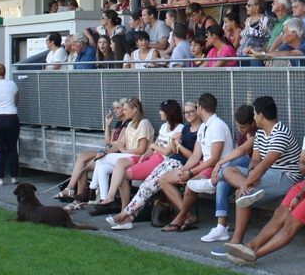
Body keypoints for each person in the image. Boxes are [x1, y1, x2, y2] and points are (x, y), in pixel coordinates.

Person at [224, 96, 305, 265]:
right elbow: (301, 165)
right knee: (280, 214)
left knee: (291, 222)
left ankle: (255, 255)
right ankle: (249, 247)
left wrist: (301, 194)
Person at [207, 95, 303, 255]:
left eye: (254, 114)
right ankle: (249, 192)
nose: (253, 117)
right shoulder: (260, 134)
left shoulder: (280, 133)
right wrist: (250, 177)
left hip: (285, 177)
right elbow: (256, 160)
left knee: (241, 196)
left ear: (261, 116)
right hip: (267, 174)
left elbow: (265, 164)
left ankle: (235, 243)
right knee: (227, 170)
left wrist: (246, 183)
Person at [108, 99, 199, 228]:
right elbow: (169, 149)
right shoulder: (185, 129)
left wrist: (176, 145)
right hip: (171, 160)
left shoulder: (193, 130)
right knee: (146, 185)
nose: (187, 115)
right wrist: (152, 150)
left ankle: (124, 215)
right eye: (185, 112)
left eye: (191, 112)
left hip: (180, 163)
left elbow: (188, 154)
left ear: (199, 111)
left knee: (148, 186)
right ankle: (127, 216)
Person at [158, 93, 232, 231]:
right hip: (204, 165)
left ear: (201, 108)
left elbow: (214, 159)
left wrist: (191, 173)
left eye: (197, 107)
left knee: (190, 184)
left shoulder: (217, 126)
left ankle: (180, 217)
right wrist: (184, 169)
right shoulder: (204, 126)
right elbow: (196, 154)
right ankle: (188, 215)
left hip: (217, 168)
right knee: (164, 179)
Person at [192, 104, 257, 244]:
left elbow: (242, 151)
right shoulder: (243, 132)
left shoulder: (258, 133)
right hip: (238, 172)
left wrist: (220, 163)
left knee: (240, 158)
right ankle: (221, 227)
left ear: (253, 122)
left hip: (255, 169)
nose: (240, 130)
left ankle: (211, 183)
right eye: (238, 127)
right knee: (222, 184)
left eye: (243, 127)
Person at [88, 97, 154, 215]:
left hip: (141, 158)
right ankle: (105, 199)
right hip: (127, 156)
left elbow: (141, 149)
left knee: (102, 160)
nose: (124, 112)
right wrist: (105, 152)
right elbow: (120, 144)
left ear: (135, 110)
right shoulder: (130, 124)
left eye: (126, 110)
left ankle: (95, 190)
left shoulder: (144, 123)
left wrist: (123, 150)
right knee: (102, 164)